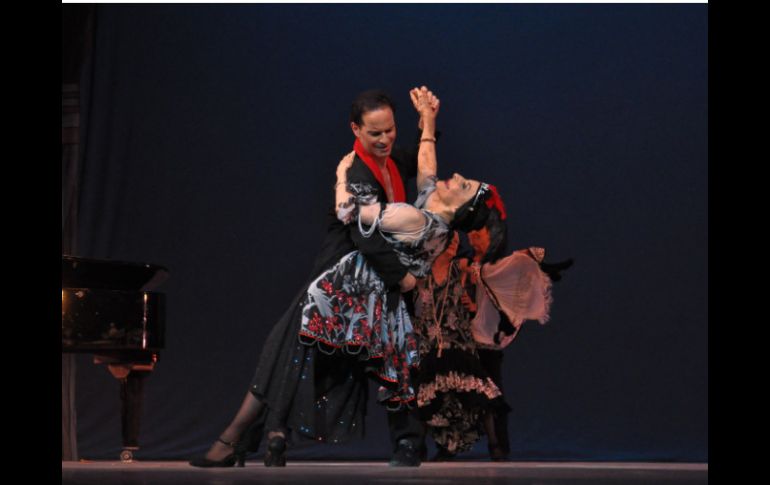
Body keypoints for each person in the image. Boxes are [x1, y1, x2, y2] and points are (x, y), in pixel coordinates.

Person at [189, 87, 438, 468]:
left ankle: (253, 436)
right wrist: (403, 276)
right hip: (343, 278)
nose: (386, 138)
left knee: (331, 354)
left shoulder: (387, 162)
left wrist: (428, 124)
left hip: (368, 279)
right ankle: (254, 436)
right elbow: (364, 237)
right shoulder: (355, 172)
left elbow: (423, 172)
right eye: (375, 133)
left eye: (390, 130)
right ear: (355, 129)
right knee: (318, 354)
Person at [410, 231, 509, 461]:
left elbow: (488, 271)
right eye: (450, 242)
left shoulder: (461, 268)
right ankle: (420, 447)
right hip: (431, 343)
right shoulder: (420, 273)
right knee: (427, 394)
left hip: (458, 342)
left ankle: (496, 447)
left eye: (456, 242)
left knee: (478, 391)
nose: (455, 245)